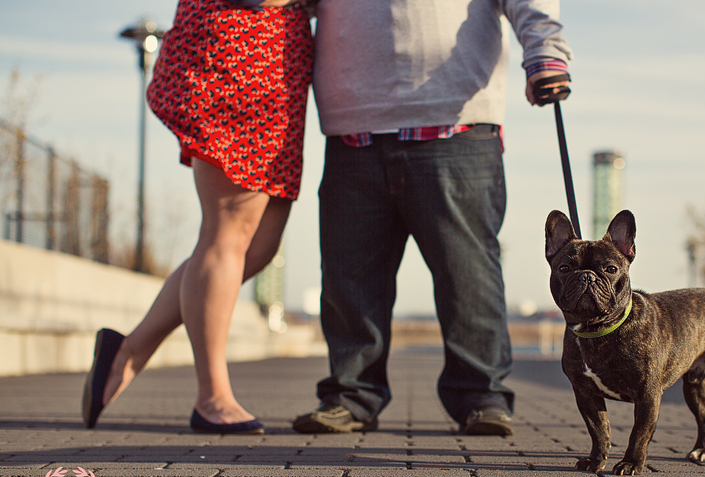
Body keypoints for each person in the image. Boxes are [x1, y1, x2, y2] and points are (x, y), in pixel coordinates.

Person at [292, 0, 572, 435]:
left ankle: (482, 395)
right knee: (349, 277)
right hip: (353, 127)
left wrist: (545, 51)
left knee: (467, 275)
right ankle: (350, 394)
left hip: (454, 122)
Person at [82, 0, 313, 434]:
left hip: (277, 64)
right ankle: (212, 397)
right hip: (242, 50)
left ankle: (127, 353)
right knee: (226, 233)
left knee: (257, 247)